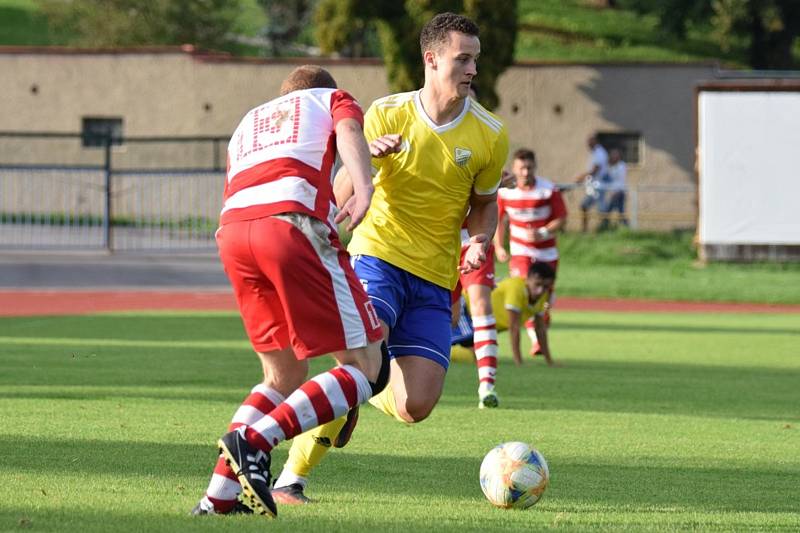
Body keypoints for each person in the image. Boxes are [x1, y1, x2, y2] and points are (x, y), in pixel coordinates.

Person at [270, 12, 509, 504]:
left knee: (415, 406)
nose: (472, 70)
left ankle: (360, 388)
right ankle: (291, 479)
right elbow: (338, 195)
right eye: (463, 59)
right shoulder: (384, 113)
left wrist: (480, 241)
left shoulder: (491, 135)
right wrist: (368, 161)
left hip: (435, 279)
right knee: (360, 363)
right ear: (431, 58)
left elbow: (484, 206)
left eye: (475, 60)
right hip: (376, 258)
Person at [191, 65, 391, 518]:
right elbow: (350, 128)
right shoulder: (329, 99)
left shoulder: (249, 121)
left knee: (281, 375)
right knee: (367, 367)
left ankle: (217, 498)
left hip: (234, 235)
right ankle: (255, 443)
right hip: (289, 225)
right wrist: (364, 186)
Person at [494, 148, 566, 357]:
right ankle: (536, 341)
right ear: (514, 168)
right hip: (520, 251)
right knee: (526, 289)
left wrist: (543, 231)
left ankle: (541, 324)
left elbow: (561, 218)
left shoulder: (548, 189)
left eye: (529, 167)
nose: (525, 172)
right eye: (521, 168)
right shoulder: (506, 191)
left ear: (535, 167)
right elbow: (498, 220)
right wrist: (499, 246)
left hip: (546, 253)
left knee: (544, 297)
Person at [452, 261, 557, 366]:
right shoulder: (516, 288)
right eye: (537, 284)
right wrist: (519, 362)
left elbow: (540, 328)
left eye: (545, 287)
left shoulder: (543, 296)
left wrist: (549, 362)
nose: (540, 291)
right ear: (528, 278)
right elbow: (514, 327)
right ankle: (441, 354)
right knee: (475, 353)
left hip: (477, 321)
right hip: (464, 310)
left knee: (481, 355)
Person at [573, 134, 609, 232]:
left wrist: (581, 177)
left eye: (590, 142)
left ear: (595, 141)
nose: (588, 144)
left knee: (601, 209)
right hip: (594, 185)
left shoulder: (600, 153)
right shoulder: (596, 153)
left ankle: (605, 229)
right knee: (585, 206)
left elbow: (595, 170)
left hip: (598, 185)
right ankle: (585, 230)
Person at [599, 148, 628, 230]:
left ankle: (604, 227)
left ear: (618, 157)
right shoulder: (610, 167)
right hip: (613, 193)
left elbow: (621, 181)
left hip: (619, 193)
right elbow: (607, 179)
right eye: (612, 155)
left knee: (617, 212)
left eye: (615, 155)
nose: (613, 157)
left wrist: (616, 192)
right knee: (613, 212)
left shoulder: (621, 166)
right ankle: (604, 227)